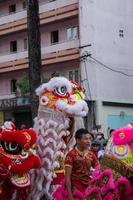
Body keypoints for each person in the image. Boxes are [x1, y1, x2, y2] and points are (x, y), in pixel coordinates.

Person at [65, 128, 99, 200]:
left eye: (90, 139)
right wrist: (70, 195)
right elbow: (67, 177)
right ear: (78, 140)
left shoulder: (91, 154)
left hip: (88, 188)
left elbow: (98, 168)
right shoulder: (71, 155)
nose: (89, 141)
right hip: (75, 188)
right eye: (86, 139)